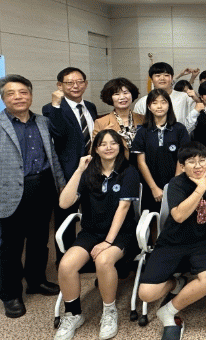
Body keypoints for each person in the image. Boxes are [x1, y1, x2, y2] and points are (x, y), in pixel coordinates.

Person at [55, 130, 139, 340]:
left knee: (103, 260)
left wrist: (108, 242)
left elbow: (123, 208)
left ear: (120, 147)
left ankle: (109, 312)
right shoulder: (88, 172)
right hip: (91, 231)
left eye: (113, 143)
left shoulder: (129, 171)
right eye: (103, 144)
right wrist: (78, 170)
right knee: (66, 265)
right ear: (96, 149)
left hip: (121, 233)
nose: (109, 147)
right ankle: (73, 314)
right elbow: (64, 203)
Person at [138, 143, 206, 340]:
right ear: (183, 166)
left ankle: (168, 311)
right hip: (172, 241)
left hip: (203, 241)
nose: (198, 165)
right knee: (146, 294)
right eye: (191, 162)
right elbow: (178, 216)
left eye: (202, 160)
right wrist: (200, 189)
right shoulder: (176, 184)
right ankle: (177, 283)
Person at [0, 75, 66, 318]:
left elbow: (53, 156)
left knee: (39, 240)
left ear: (30, 95)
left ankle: (36, 281)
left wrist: (61, 186)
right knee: (11, 246)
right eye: (11, 93)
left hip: (43, 187)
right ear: (3, 98)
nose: (18, 97)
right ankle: (10, 294)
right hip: (10, 191)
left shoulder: (43, 122)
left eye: (23, 92)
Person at [43, 67, 98, 258]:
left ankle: (88, 255)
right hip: (68, 172)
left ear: (86, 84)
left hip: (93, 170)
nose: (75, 86)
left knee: (92, 214)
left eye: (80, 81)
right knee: (66, 216)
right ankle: (65, 259)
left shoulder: (90, 106)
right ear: (60, 85)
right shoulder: (51, 109)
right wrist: (56, 105)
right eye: (69, 82)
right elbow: (58, 134)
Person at [131, 89, 190, 213]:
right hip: (150, 186)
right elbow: (141, 162)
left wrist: (173, 186)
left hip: (176, 183)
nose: (159, 106)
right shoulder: (142, 131)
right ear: (149, 106)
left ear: (169, 105)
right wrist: (154, 188)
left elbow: (182, 159)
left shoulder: (179, 129)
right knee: (151, 217)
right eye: (155, 102)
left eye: (163, 102)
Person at [93, 77, 144, 155]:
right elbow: (93, 151)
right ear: (110, 98)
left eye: (125, 93)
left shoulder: (144, 119)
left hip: (143, 161)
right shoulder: (101, 123)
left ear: (132, 95)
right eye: (117, 94)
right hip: (117, 162)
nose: (122, 97)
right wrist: (103, 135)